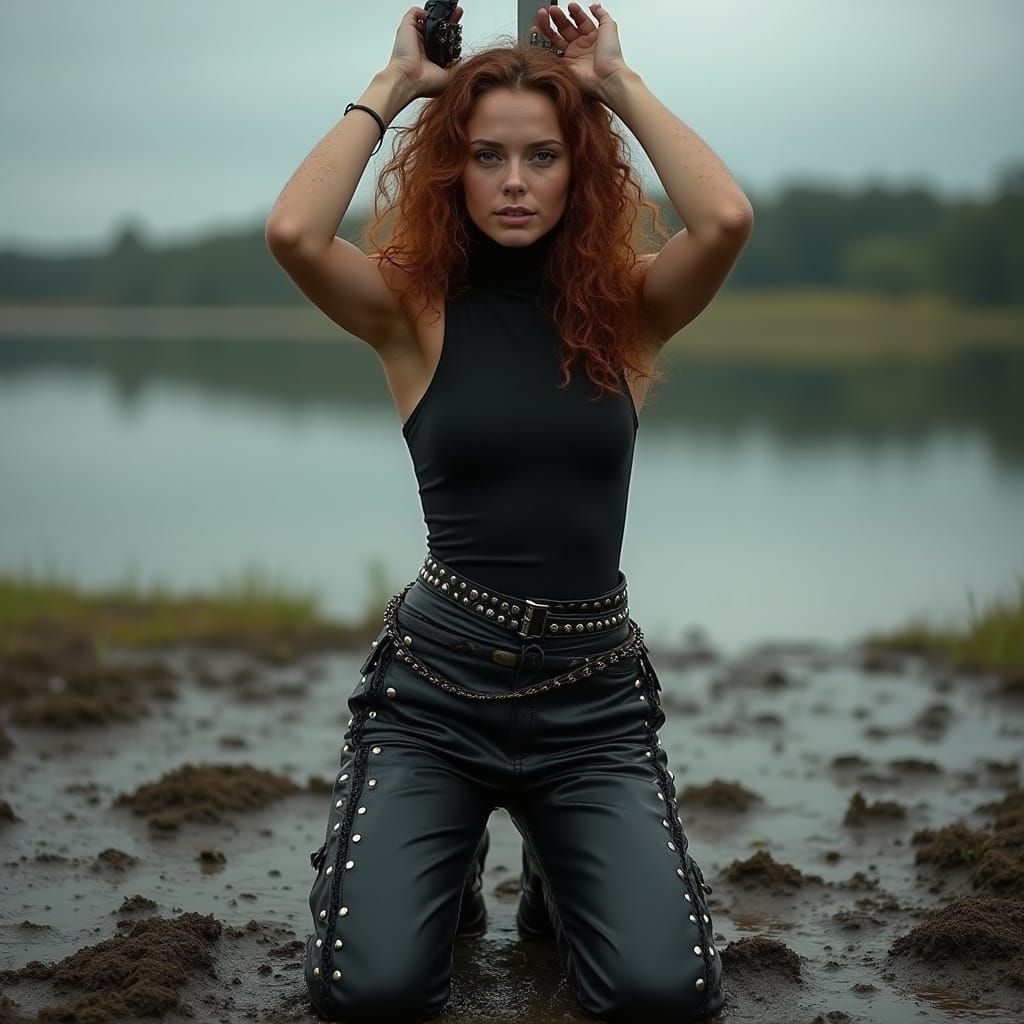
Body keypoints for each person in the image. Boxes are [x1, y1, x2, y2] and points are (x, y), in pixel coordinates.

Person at [266, 4, 752, 1021]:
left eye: (542, 155)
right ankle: (440, 864)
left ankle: (551, 870)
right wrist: (396, 85)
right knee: (371, 995)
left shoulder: (626, 312)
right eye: (488, 156)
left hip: (592, 703)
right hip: (435, 696)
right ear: (456, 168)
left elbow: (724, 222)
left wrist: (612, 83)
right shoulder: (412, 311)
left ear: (579, 170)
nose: (516, 181)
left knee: (665, 997)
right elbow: (293, 233)